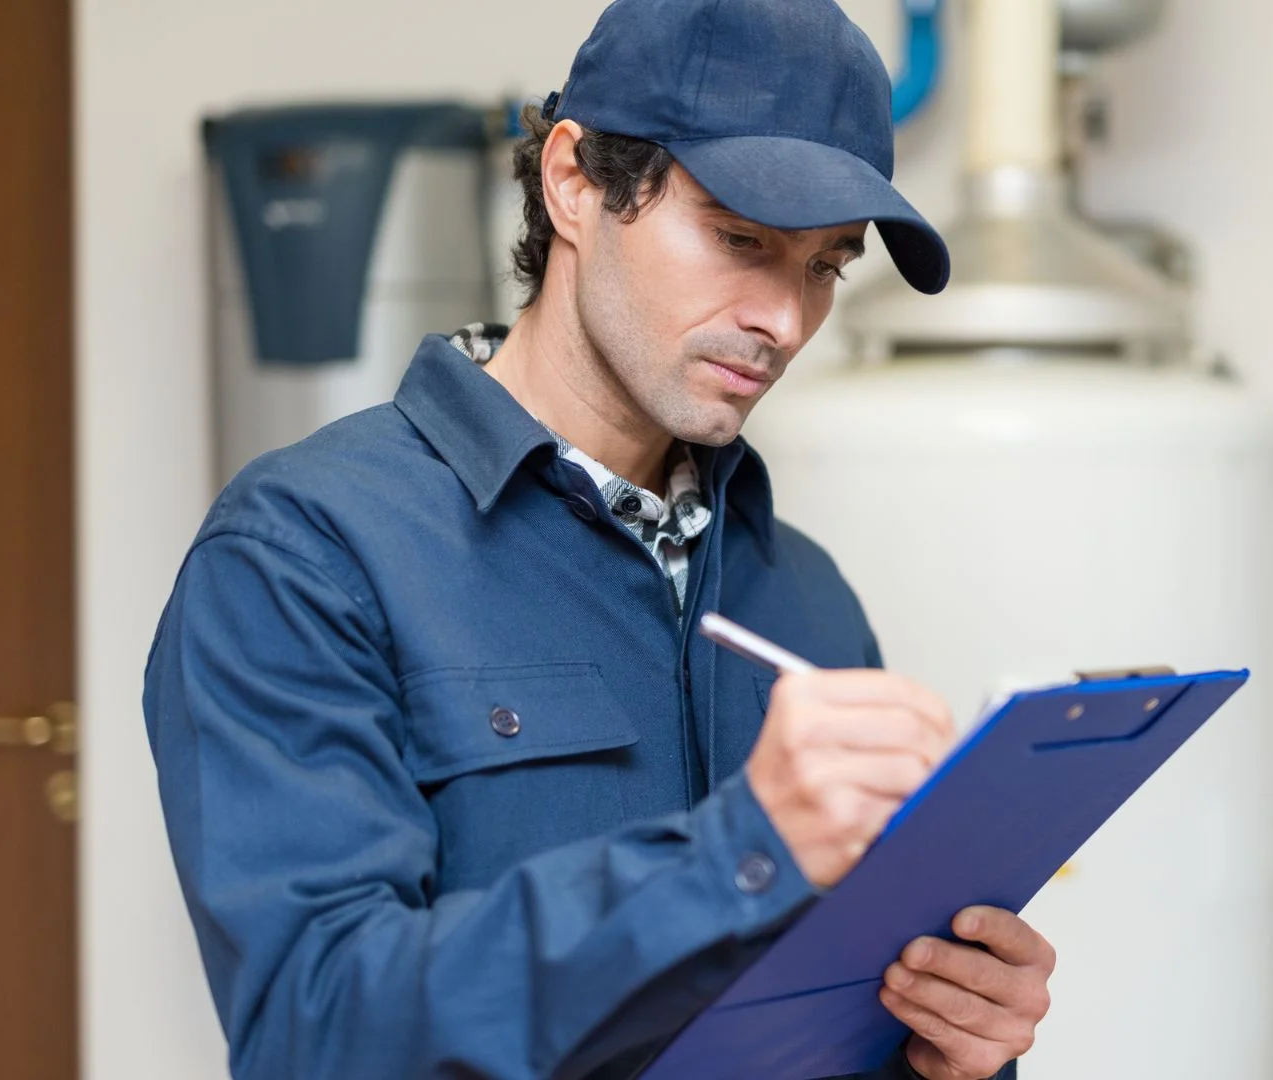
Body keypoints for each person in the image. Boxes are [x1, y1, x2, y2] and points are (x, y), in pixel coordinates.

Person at [142, 1, 1055, 1077]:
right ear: (575, 182)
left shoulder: (803, 591)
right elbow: (318, 1029)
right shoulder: (306, 554)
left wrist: (951, 1043)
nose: (786, 320)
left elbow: (822, 1012)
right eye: (739, 239)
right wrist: (735, 857)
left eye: (824, 266)